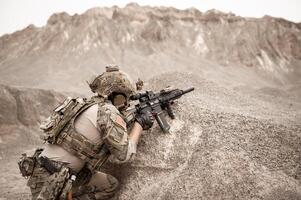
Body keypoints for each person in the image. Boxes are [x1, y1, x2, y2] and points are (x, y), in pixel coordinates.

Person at [18, 66, 154, 200]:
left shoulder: (91, 105)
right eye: (126, 97)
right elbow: (125, 155)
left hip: (50, 173)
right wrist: (140, 123)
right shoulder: (107, 112)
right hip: (50, 181)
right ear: (117, 96)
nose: (127, 102)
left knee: (110, 184)